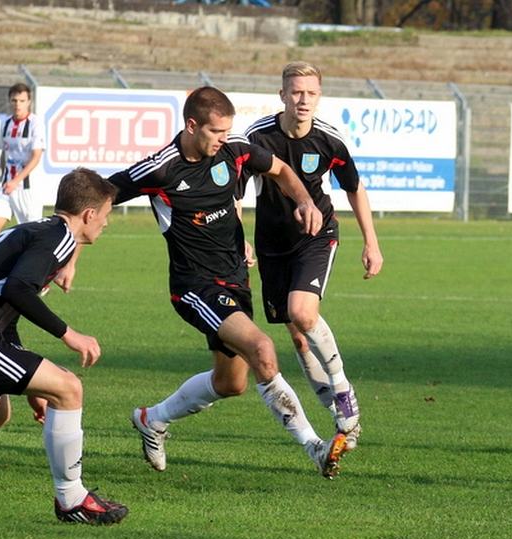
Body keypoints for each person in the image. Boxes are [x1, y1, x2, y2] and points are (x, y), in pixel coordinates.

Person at [108, 86, 347, 478]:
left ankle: (152, 419)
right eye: (216, 131)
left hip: (235, 278)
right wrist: (70, 256)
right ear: (192, 125)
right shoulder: (161, 168)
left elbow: (281, 170)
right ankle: (315, 447)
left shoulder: (234, 150)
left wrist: (304, 200)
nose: (224, 138)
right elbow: (100, 195)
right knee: (262, 350)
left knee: (231, 382)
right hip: (195, 286)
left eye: (226, 131)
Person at [0, 167, 128, 525]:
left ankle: (72, 498)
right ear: (89, 214)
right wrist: (68, 334)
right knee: (68, 388)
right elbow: (17, 289)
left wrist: (28, 379)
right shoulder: (60, 238)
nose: (106, 223)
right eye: (105, 215)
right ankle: (72, 499)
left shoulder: (37, 230)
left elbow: (5, 312)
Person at [244, 61, 382, 451]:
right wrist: (240, 239)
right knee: (299, 337)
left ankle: (342, 389)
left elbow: (354, 188)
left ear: (319, 96)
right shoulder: (258, 137)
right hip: (272, 244)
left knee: (303, 314)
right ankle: (342, 420)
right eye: (296, 92)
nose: (303, 100)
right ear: (283, 95)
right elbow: (236, 191)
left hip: (316, 237)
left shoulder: (329, 140)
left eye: (311, 93)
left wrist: (371, 243)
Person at [0, 83, 46, 244]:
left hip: (27, 189)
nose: (18, 104)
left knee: (32, 237)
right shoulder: (6, 123)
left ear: (29, 102)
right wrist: (6, 179)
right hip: (6, 188)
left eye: (22, 101)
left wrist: (16, 181)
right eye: (14, 100)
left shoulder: (35, 124)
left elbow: (36, 157)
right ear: (9, 101)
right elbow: (4, 154)